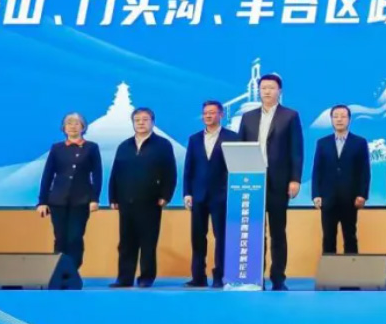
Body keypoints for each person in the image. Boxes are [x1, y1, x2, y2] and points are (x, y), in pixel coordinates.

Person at [237, 73, 303, 290]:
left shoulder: (290, 116)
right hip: (252, 180)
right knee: (254, 231)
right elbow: (240, 147)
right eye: (263, 87)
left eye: (271, 88)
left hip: (279, 181)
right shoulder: (248, 117)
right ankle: (255, 277)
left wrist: (295, 179)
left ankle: (278, 278)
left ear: (279, 91)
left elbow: (296, 150)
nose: (267, 91)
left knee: (277, 232)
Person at [108, 107, 177, 288]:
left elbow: (170, 172)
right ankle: (124, 278)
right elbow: (115, 172)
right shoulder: (124, 145)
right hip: (126, 200)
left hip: (150, 200)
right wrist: (113, 197)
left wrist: (166, 195)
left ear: (152, 122)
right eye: (137, 120)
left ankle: (146, 278)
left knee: (148, 242)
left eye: (145, 119)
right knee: (126, 242)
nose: (141, 123)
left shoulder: (163, 145)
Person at [182, 100, 238, 288]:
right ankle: (198, 277)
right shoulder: (194, 139)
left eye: (212, 112)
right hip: (198, 196)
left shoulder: (232, 137)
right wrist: (187, 192)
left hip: (222, 195)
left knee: (221, 237)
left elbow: (236, 167)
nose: (208, 115)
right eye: (205, 112)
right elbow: (189, 168)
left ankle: (220, 276)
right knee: (198, 237)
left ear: (221, 115)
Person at [36, 112, 102, 269]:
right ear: (64, 128)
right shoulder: (57, 148)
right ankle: (59, 271)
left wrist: (94, 199)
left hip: (81, 200)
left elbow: (97, 174)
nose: (73, 126)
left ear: (83, 127)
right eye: (69, 123)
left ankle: (72, 271)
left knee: (75, 237)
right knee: (60, 238)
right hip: (57, 200)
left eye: (77, 123)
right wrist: (42, 201)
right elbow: (48, 175)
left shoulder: (91, 147)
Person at [311, 104, 371, 254]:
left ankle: (352, 269)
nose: (339, 119)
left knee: (350, 236)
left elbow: (364, 171)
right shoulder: (322, 143)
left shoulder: (359, 142)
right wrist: (316, 194)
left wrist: (362, 194)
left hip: (350, 198)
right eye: (336, 116)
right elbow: (317, 170)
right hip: (328, 198)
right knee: (328, 237)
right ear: (331, 119)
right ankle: (329, 269)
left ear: (349, 119)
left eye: (343, 116)